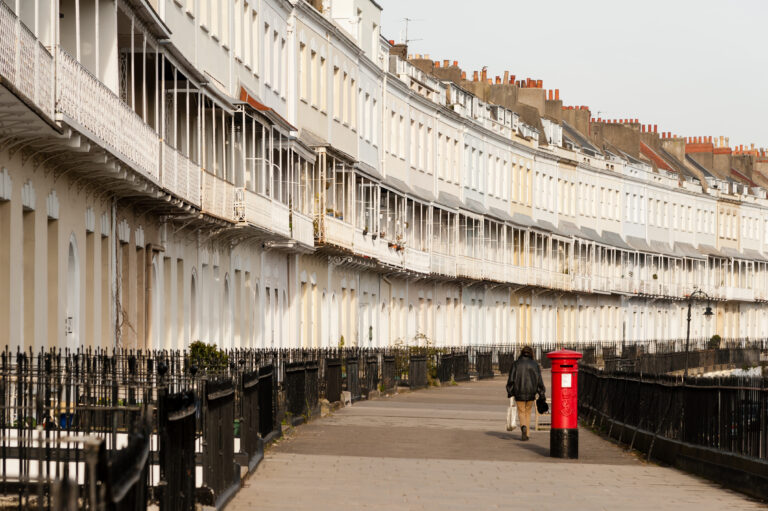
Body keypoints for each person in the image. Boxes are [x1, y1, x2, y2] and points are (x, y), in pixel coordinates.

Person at [506, 346, 546, 441]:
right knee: (528, 412)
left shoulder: (516, 364)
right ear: (531, 353)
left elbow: (511, 379)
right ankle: (527, 433)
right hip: (531, 393)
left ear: (522, 353)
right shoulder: (535, 364)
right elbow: (539, 380)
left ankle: (523, 426)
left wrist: (510, 391)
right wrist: (541, 392)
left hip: (519, 392)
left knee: (521, 412)